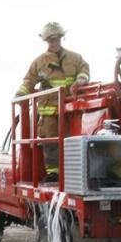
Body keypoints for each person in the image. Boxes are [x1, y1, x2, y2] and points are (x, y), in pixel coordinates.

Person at [16, 22, 90, 179]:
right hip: (48, 110)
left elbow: (84, 70)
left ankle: (74, 171)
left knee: (72, 140)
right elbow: (29, 81)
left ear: (62, 38)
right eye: (51, 40)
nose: (54, 43)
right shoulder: (39, 62)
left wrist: (81, 79)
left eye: (57, 39)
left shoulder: (75, 58)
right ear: (46, 41)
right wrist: (20, 94)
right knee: (50, 143)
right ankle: (53, 173)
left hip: (71, 108)